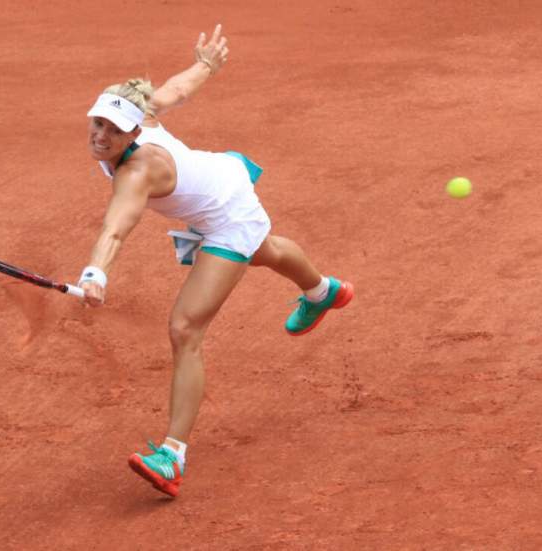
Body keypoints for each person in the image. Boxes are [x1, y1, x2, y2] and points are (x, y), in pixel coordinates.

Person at [77, 24, 354, 498]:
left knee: (186, 328)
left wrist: (95, 272)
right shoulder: (145, 113)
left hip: (226, 217)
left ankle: (172, 455)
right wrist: (205, 63)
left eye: (113, 130)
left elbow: (116, 227)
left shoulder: (137, 171)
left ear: (133, 132)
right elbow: (177, 89)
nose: (101, 136)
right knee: (263, 250)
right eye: (98, 123)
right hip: (221, 182)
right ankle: (323, 291)